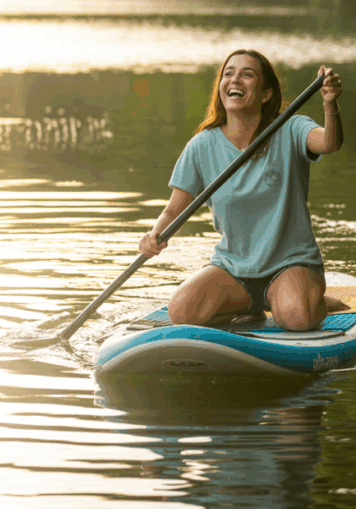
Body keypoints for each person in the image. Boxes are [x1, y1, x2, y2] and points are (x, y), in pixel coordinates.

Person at [138, 49, 343, 331]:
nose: (235, 80)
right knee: (182, 312)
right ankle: (252, 307)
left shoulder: (291, 127)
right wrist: (155, 233)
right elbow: (173, 210)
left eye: (248, 74)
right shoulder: (201, 146)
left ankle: (311, 297)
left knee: (297, 317)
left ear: (266, 93)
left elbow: (329, 143)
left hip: (291, 263)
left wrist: (330, 105)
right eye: (228, 73)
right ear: (221, 87)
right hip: (234, 268)